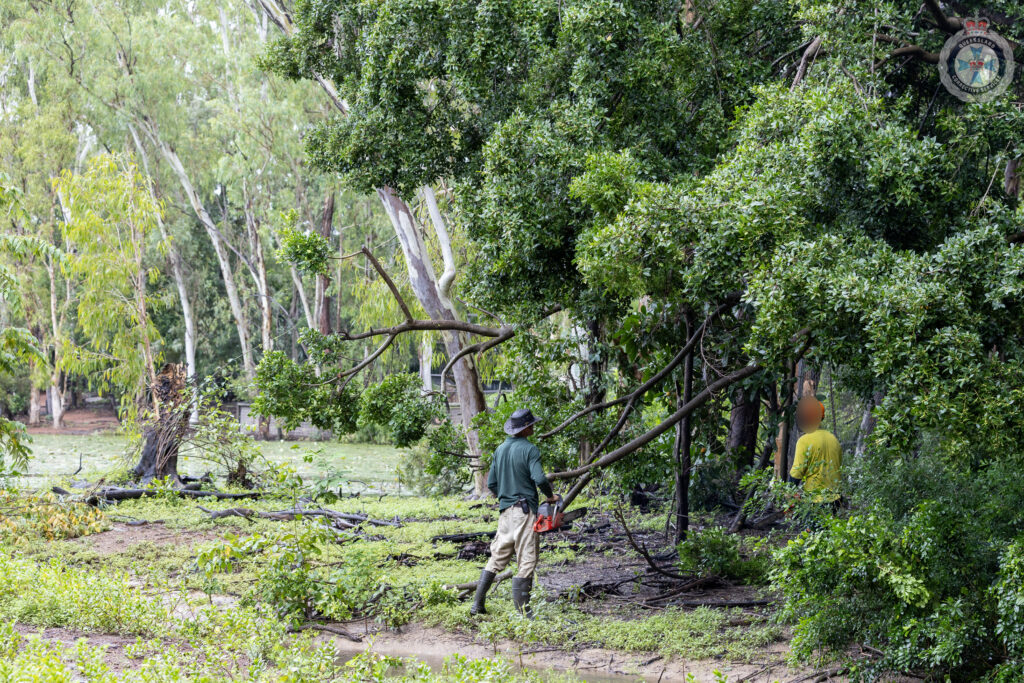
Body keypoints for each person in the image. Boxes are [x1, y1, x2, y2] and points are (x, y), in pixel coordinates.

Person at [470, 408, 558, 617]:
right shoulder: (530, 450)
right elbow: (540, 478)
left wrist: (505, 497)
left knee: (497, 558)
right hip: (524, 512)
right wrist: (550, 496)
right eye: (532, 425)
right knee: (527, 560)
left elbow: (491, 482)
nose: (534, 427)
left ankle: (477, 605)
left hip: (505, 512)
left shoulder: (500, 449)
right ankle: (524, 614)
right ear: (526, 428)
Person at [789, 396, 842, 509]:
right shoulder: (833, 439)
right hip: (836, 499)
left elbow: (796, 473)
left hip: (815, 500)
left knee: (812, 527)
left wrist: (788, 493)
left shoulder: (804, 441)